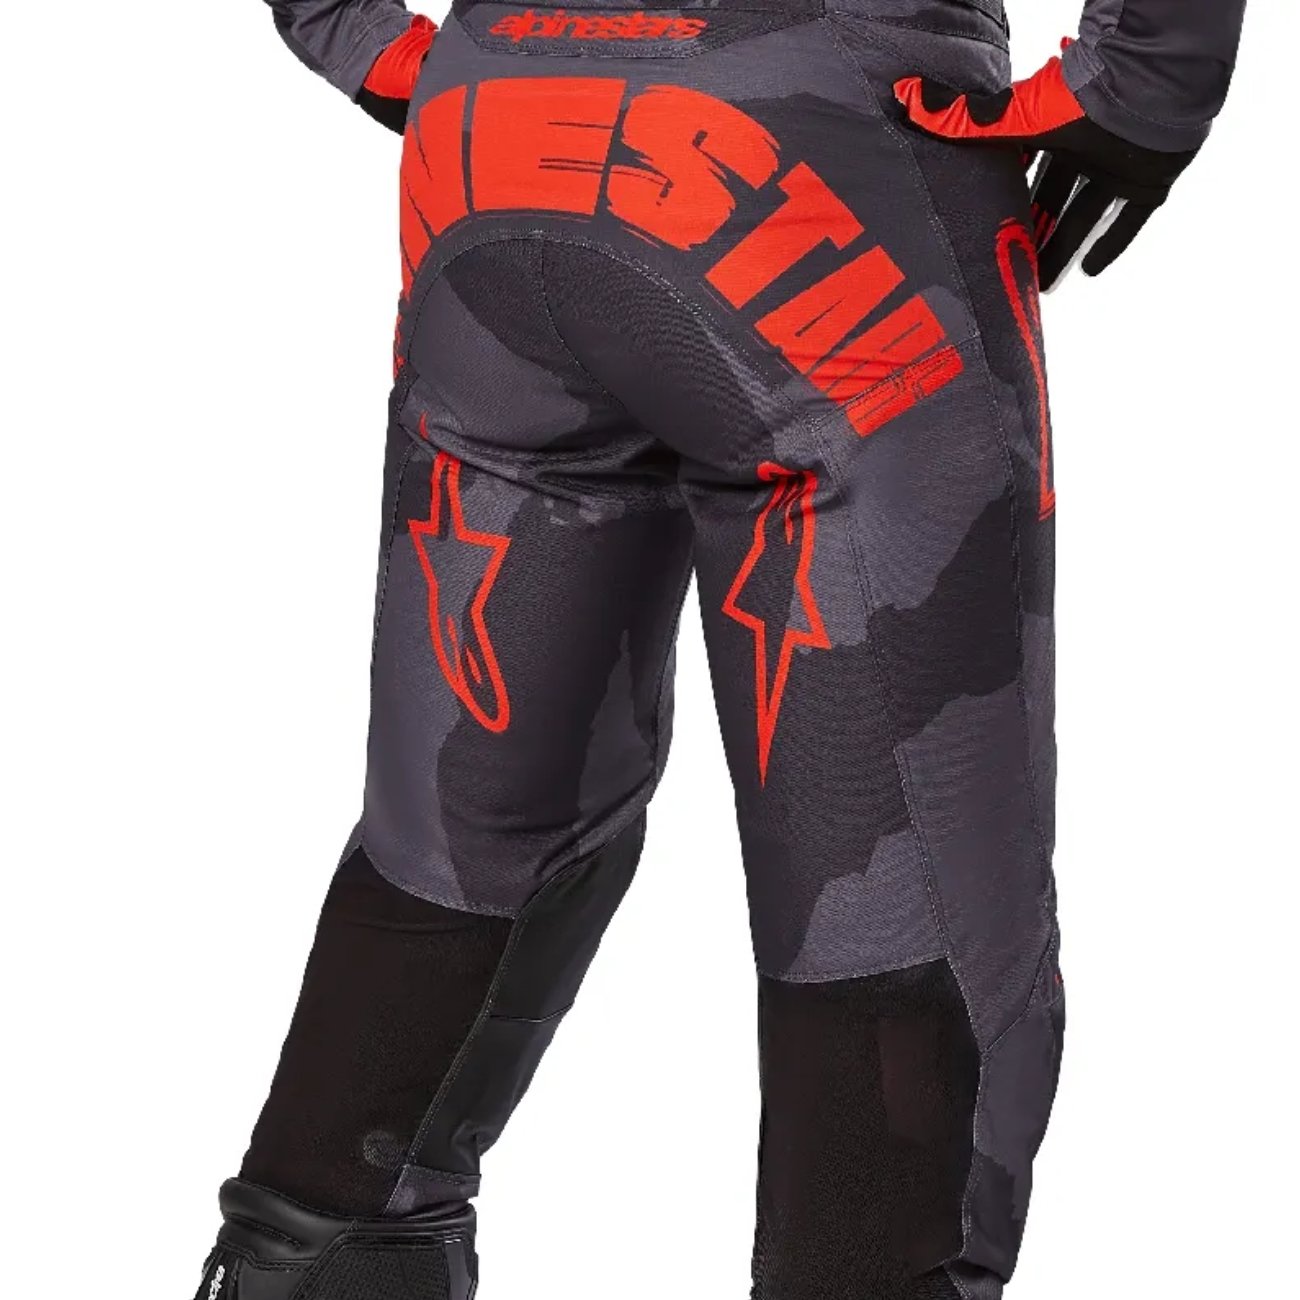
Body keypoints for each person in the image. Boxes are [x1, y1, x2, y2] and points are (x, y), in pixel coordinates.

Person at [192, 1, 1245, 1296]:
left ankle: (300, 1260)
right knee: (897, 905)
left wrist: (367, 38)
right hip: (820, 168)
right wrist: (1150, 78)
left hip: (496, 147)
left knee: (464, 833)